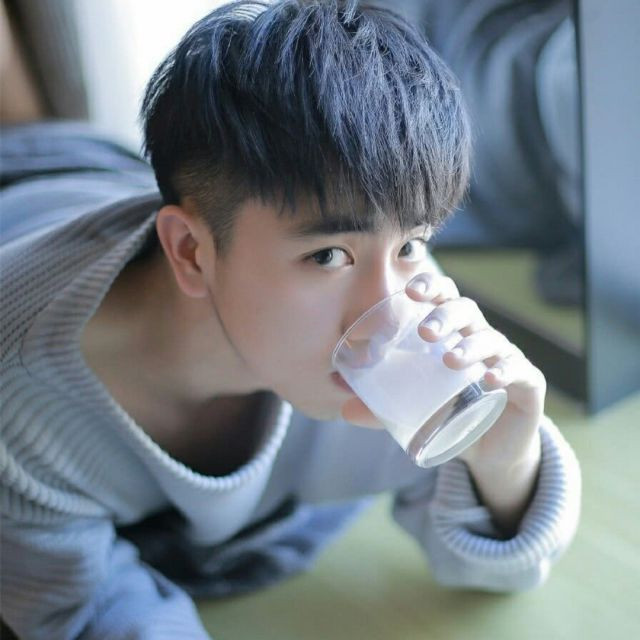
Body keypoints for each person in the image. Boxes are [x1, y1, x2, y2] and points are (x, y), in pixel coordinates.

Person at [0, 1, 581, 638]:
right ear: (190, 253)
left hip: (117, 177)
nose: (386, 319)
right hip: (31, 193)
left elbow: (494, 570)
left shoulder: (402, 305)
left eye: (413, 242)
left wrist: (505, 463)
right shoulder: (22, 394)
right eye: (327, 256)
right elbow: (79, 607)